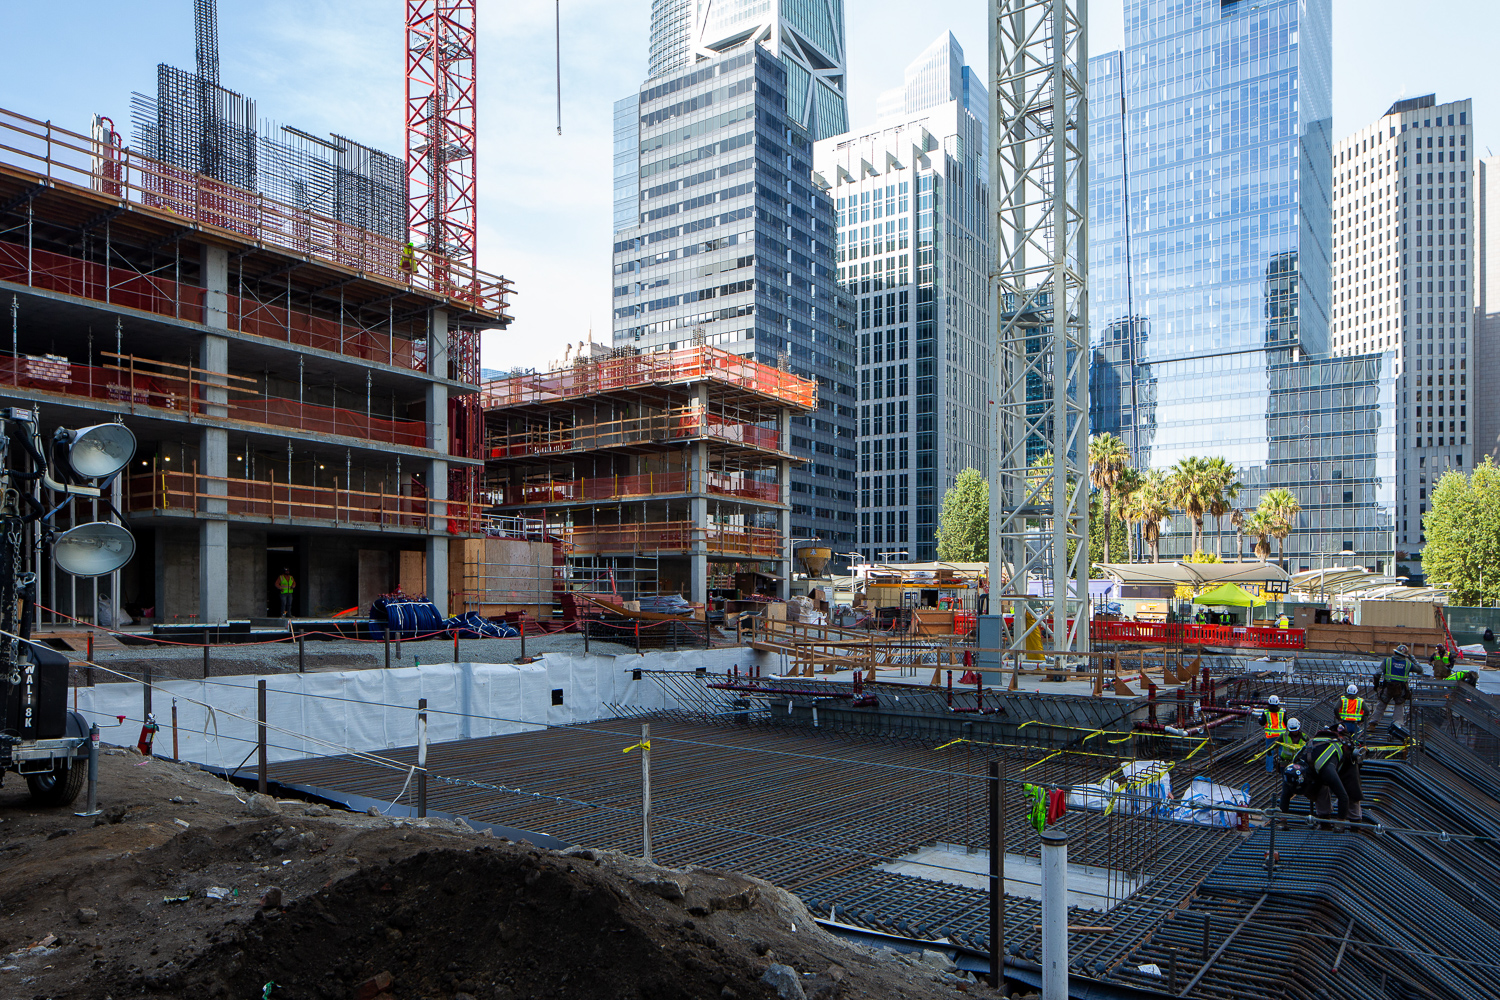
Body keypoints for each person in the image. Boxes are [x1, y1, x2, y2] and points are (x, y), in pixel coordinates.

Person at [1369, 643, 1419, 732]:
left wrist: (1376, 685)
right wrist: (1413, 659)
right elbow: (1420, 670)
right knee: (1399, 707)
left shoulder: (1387, 661)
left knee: (1381, 705)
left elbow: (1377, 674)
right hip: (1401, 689)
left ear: (1395, 652)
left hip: (1387, 688)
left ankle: (1372, 724)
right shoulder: (1408, 664)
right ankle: (1397, 726)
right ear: (1405, 655)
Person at [1256, 694, 1288, 772]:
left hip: (1270, 736)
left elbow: (1262, 723)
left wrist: (1259, 719)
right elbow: (1286, 723)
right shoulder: (1282, 712)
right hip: (1281, 736)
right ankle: (1281, 769)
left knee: (1269, 753)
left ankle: (1269, 770)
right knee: (1281, 753)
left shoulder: (1266, 712)